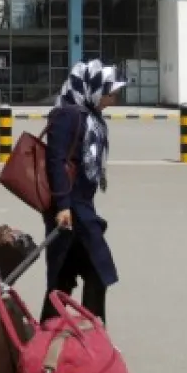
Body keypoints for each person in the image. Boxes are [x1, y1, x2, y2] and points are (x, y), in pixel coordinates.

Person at [41, 60, 125, 325]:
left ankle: (53, 330)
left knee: (63, 278)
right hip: (69, 209)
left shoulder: (89, 116)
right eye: (110, 93)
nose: (113, 99)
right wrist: (64, 205)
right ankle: (90, 329)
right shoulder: (68, 115)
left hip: (79, 207)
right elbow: (55, 160)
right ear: (94, 88)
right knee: (98, 271)